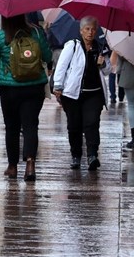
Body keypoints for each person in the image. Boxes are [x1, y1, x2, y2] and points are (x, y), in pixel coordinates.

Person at [0, 14, 52, 182]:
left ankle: (12, 166)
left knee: (12, 128)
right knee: (31, 125)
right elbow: (47, 57)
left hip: (9, 89)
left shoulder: (1, 36)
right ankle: (30, 165)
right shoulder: (36, 33)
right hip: (34, 87)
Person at [52, 16, 111, 171]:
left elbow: (108, 71)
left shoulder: (100, 47)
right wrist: (58, 86)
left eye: (93, 29)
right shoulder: (72, 46)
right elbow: (61, 66)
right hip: (73, 95)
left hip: (94, 94)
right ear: (81, 30)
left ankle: (92, 155)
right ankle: (76, 156)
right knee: (74, 126)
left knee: (92, 124)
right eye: (87, 29)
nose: (90, 32)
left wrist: (103, 63)